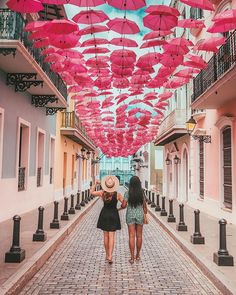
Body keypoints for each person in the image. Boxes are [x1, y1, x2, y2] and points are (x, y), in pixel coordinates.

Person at [90, 175, 124, 264]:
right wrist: (119, 209)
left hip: (104, 214)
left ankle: (106, 254)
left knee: (105, 236)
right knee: (111, 236)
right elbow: (125, 204)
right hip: (113, 214)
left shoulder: (102, 193)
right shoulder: (117, 194)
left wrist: (95, 183)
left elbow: (91, 192)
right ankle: (110, 256)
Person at [121, 176, 147, 264]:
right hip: (139, 214)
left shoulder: (127, 193)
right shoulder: (141, 193)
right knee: (139, 236)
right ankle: (138, 255)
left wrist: (121, 206)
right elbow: (144, 205)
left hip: (130, 214)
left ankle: (132, 257)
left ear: (131, 184)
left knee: (131, 236)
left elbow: (124, 205)